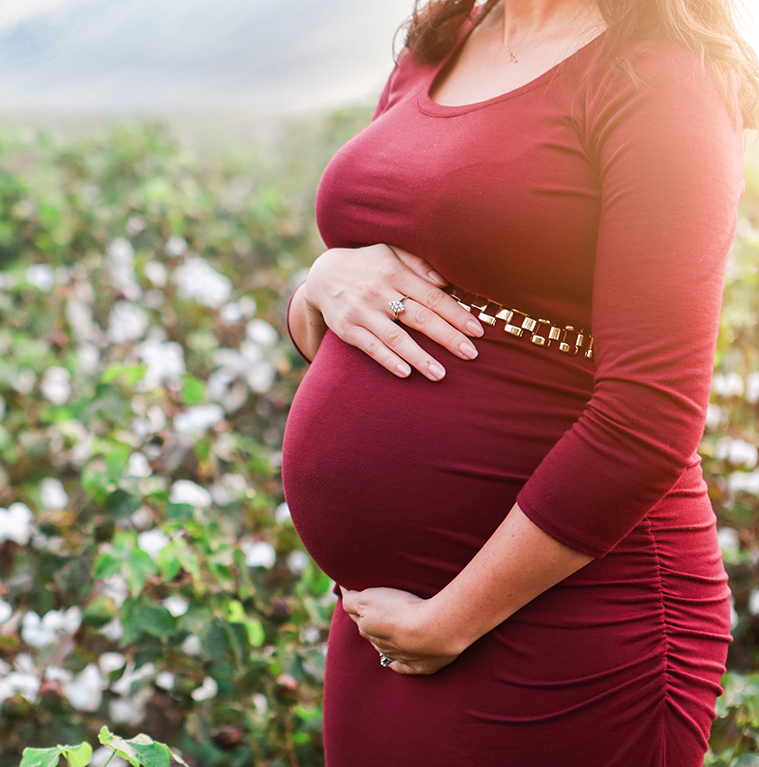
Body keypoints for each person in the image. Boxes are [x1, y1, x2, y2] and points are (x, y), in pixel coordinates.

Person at [279, 0, 759, 764]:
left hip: (573, 628)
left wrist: (454, 619)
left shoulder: (662, 77)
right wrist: (321, 281)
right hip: (384, 628)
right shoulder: (446, 39)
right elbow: (363, 313)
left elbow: (651, 414)